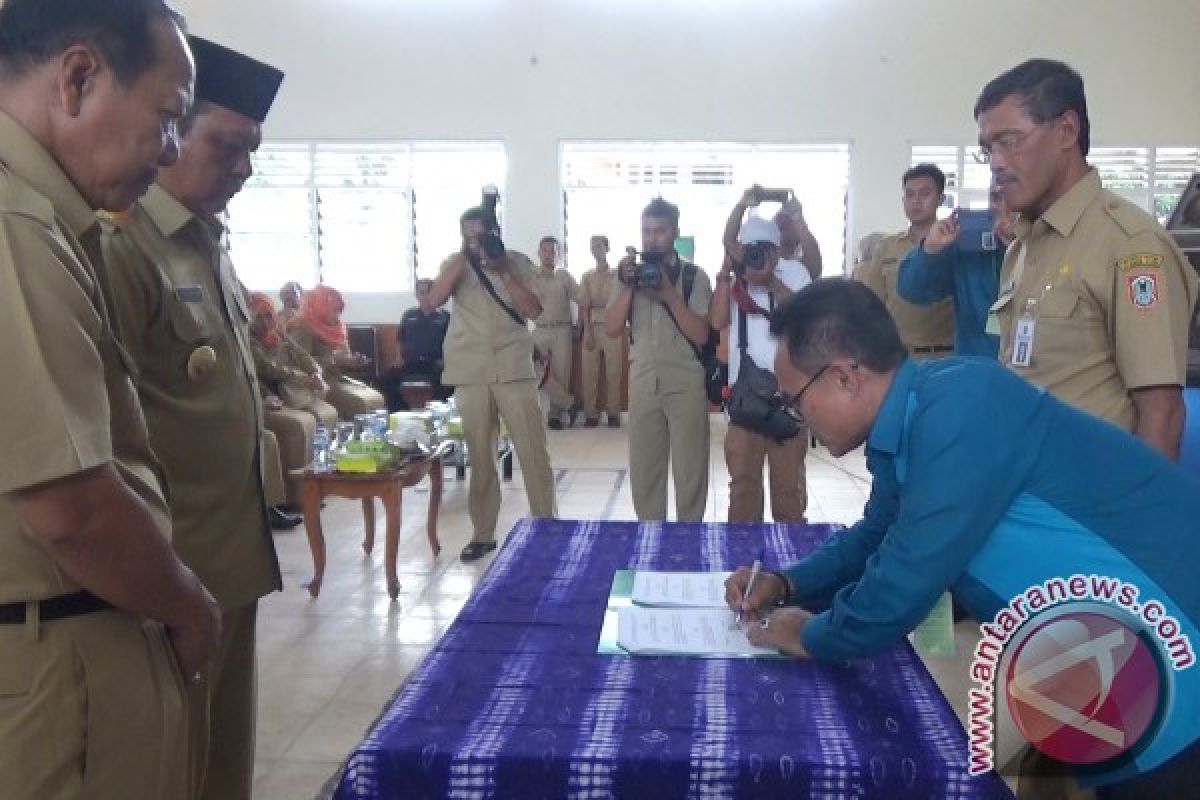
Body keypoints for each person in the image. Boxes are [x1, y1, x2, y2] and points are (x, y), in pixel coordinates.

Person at [726, 278, 1200, 798]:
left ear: (843, 377)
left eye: (796, 401)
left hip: (1171, 649)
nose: (797, 419)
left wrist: (805, 635)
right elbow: (875, 538)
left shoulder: (960, 407)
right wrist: (786, 584)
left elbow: (899, 588)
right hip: (1095, 660)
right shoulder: (912, 419)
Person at [0, 3, 219, 798]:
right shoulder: (15, 227)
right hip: (58, 660)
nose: (169, 153)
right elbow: (71, 508)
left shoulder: (54, 220)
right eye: (168, 119)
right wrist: (188, 605)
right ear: (80, 77)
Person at [100, 36, 285, 800]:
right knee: (172, 765)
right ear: (176, 131)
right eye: (229, 146)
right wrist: (162, 582)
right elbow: (103, 433)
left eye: (252, 151)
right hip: (167, 575)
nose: (242, 167)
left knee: (221, 761)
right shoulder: (124, 246)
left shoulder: (205, 244)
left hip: (229, 559)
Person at [976, 58, 1198, 459]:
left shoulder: (1131, 246)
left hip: (1089, 508)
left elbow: (1161, 414)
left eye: (1010, 141)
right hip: (1025, 490)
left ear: (1066, 131)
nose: (996, 162)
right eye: (988, 148)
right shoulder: (1022, 247)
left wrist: (1130, 522)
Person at [426, 205, 556, 561]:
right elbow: (433, 301)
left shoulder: (517, 262)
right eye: (467, 234)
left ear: (495, 231)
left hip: (513, 368)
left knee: (532, 452)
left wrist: (503, 270)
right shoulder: (454, 264)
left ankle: (547, 525)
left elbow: (534, 310)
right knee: (480, 457)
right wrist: (463, 258)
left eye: (480, 234)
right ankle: (483, 532)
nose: (473, 241)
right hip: (471, 371)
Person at [605, 198, 712, 522]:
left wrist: (668, 294)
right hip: (643, 386)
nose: (651, 238)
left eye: (659, 231)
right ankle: (651, 537)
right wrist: (627, 286)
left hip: (686, 385)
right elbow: (611, 328)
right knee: (645, 472)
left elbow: (701, 334)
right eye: (646, 231)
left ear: (675, 232)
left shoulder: (694, 276)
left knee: (690, 472)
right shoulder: (626, 277)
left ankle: (688, 539)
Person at [711, 189, 811, 523]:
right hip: (746, 399)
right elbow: (717, 321)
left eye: (761, 251)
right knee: (742, 490)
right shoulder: (736, 276)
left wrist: (770, 283)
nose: (755, 258)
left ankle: (790, 570)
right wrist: (725, 274)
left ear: (774, 250)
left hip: (789, 400)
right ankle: (740, 563)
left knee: (788, 494)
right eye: (749, 251)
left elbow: (802, 319)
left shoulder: (795, 272)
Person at [897, 182, 1015, 358]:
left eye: (1012, 197)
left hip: (1037, 370)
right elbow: (913, 291)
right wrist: (930, 250)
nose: (1004, 209)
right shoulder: (968, 247)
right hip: (977, 367)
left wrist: (1020, 247)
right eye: (996, 198)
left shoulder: (1048, 244)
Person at [854, 164, 956, 358]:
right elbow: (873, 305)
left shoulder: (954, 244)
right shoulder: (886, 247)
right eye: (909, 195)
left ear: (940, 199)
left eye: (924, 194)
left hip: (946, 356)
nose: (916, 201)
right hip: (899, 356)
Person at [289, 285, 387, 419]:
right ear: (321, 307)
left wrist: (353, 361)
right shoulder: (302, 326)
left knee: (375, 398)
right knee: (360, 404)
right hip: (315, 385)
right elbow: (297, 363)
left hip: (336, 378)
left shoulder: (338, 328)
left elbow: (343, 357)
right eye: (334, 310)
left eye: (340, 311)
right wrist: (333, 359)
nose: (338, 316)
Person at [249, 292, 337, 431]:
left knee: (329, 414)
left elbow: (301, 354)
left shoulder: (278, 333)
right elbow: (266, 367)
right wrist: (304, 379)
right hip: (272, 389)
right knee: (312, 423)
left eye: (268, 316)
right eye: (258, 317)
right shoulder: (250, 340)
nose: (265, 323)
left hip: (295, 387)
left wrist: (316, 372)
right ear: (249, 318)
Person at [530, 235, 582, 428]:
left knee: (561, 373)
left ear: (558, 255)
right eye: (545, 250)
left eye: (553, 251)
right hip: (540, 330)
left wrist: (582, 324)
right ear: (539, 253)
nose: (548, 255)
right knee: (531, 366)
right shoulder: (531, 277)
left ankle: (555, 416)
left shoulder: (564, 277)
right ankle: (571, 403)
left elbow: (582, 299)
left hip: (562, 330)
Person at [379, 278, 452, 412]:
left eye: (428, 292)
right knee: (385, 379)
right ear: (417, 295)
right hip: (409, 362)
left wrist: (446, 360)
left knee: (448, 382)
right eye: (421, 292)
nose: (425, 296)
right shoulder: (408, 315)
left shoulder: (445, 317)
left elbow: (452, 342)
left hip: (435, 363)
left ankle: (436, 413)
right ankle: (400, 412)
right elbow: (400, 339)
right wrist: (398, 357)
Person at [579, 234, 625, 427]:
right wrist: (587, 332)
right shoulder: (587, 276)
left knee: (614, 373)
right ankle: (591, 414)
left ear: (607, 248)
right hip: (593, 327)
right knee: (589, 373)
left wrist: (600, 303)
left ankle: (613, 413)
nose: (596, 249)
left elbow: (619, 302)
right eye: (593, 246)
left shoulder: (617, 275)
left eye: (599, 245)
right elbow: (584, 305)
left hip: (613, 328)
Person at [775, 197, 824, 279]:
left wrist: (797, 218)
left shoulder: (799, 267)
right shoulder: (760, 258)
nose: (782, 223)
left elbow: (814, 267)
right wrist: (744, 205)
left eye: (788, 220)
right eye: (780, 219)